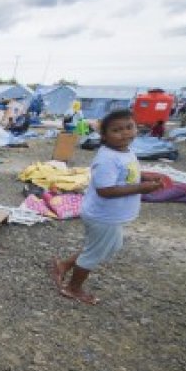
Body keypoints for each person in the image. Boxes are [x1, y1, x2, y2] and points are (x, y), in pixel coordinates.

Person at [50, 110, 164, 305]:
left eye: (129, 127)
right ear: (104, 135)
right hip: (103, 216)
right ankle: (72, 288)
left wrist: (144, 177)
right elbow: (105, 190)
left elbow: (128, 173)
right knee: (94, 253)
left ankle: (64, 264)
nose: (125, 133)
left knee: (109, 247)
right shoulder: (107, 158)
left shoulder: (125, 151)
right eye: (117, 130)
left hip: (112, 216)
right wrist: (141, 188)